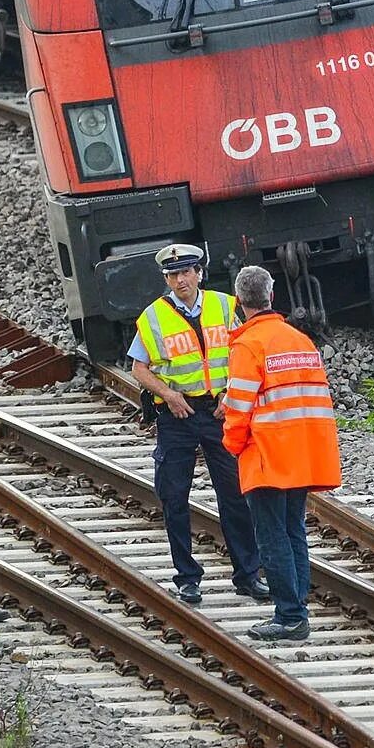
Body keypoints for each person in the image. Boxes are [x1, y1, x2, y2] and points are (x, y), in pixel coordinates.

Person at [126, 243, 263, 608]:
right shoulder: (153, 316)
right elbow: (139, 368)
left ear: (199, 273)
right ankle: (188, 578)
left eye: (186, 272)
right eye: (173, 275)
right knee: (174, 497)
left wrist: (230, 394)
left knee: (234, 494)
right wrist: (168, 395)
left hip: (219, 412)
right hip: (177, 415)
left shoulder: (224, 305)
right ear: (167, 279)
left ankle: (248, 574)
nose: (181, 280)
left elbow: (245, 352)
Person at [219, 265, 338, 642]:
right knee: (293, 532)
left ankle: (289, 616)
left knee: (271, 537)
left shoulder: (247, 345)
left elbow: (238, 407)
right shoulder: (300, 340)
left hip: (267, 455)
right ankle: (296, 608)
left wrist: (231, 447)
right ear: (271, 296)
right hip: (303, 452)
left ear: (240, 302)